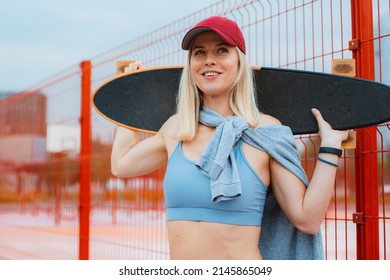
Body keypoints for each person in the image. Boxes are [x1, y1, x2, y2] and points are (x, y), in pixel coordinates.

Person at [111, 16, 349, 260]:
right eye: (199, 52)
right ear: (190, 64)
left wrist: (330, 148)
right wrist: (132, 96)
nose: (209, 60)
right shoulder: (177, 129)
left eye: (222, 50)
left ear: (239, 61)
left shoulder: (265, 131)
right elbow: (121, 164)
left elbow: (307, 219)